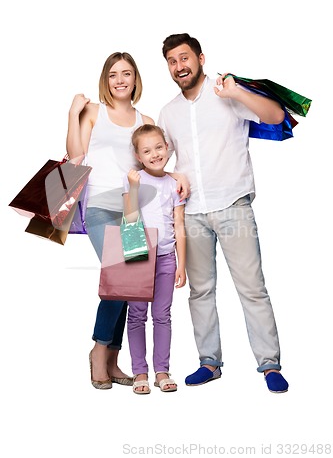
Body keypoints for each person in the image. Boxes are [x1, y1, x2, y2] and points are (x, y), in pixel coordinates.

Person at [158, 33, 289, 393]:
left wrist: (237, 93)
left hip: (234, 206)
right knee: (200, 291)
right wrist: (170, 176)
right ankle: (209, 363)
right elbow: (160, 159)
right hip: (192, 213)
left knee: (252, 289)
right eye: (172, 61)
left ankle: (270, 365)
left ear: (200, 58)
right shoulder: (168, 113)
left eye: (184, 58)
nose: (179, 66)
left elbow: (276, 115)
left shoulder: (228, 94)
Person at [66, 52, 188, 390]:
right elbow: (75, 157)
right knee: (121, 279)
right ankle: (99, 350)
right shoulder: (94, 112)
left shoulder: (144, 118)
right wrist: (72, 115)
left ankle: (114, 357)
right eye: (114, 74)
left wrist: (176, 174)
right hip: (101, 207)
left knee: (130, 286)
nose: (120, 80)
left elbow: (155, 160)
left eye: (127, 74)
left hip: (136, 211)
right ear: (106, 80)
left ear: (135, 79)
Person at [123, 124, 186, 394]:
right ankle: (140, 371)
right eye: (147, 151)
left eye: (159, 147)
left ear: (167, 148)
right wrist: (134, 188)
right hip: (137, 254)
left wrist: (181, 263)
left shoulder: (175, 184)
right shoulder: (134, 179)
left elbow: (180, 224)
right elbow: (129, 218)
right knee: (137, 315)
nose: (155, 154)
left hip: (166, 258)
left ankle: (162, 369)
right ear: (138, 156)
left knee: (162, 315)